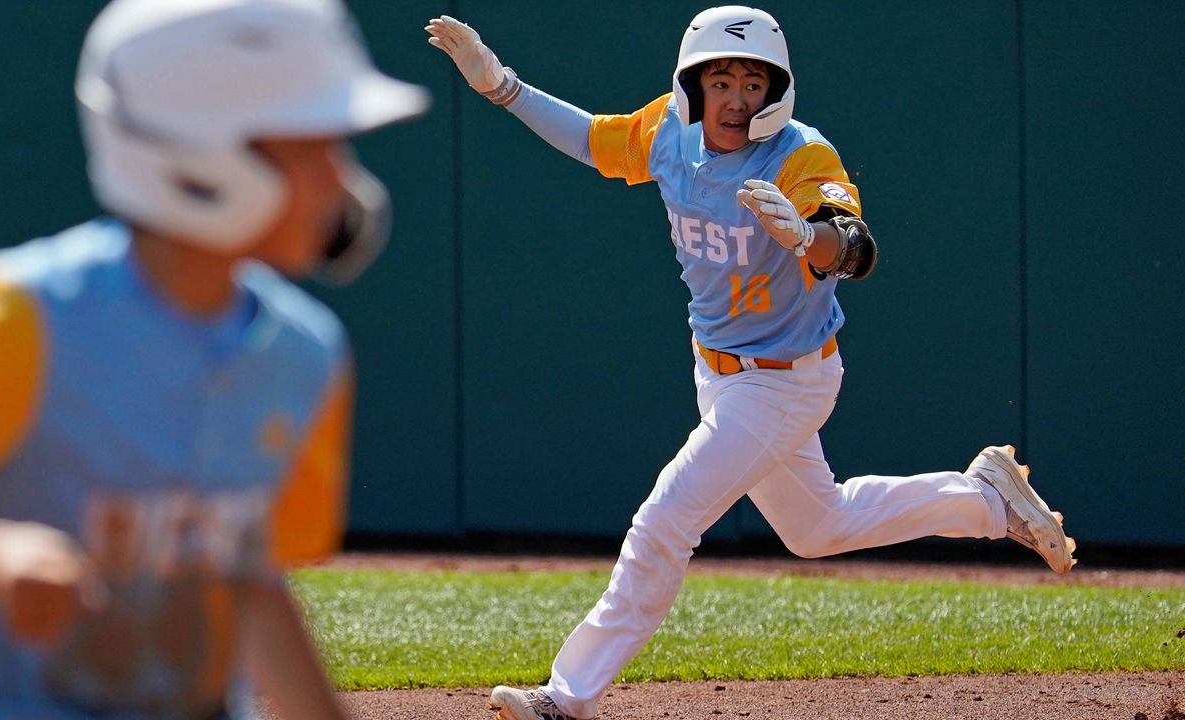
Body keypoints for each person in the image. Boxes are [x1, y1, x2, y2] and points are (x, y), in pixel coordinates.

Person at [425, 7, 1076, 720]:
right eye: (722, 78)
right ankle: (986, 500)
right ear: (694, 83)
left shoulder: (801, 156)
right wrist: (503, 88)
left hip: (785, 381)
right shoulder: (668, 133)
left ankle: (567, 697)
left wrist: (808, 237)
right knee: (817, 527)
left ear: (777, 90)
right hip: (717, 369)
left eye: (754, 80)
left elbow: (855, 248)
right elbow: (590, 139)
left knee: (665, 521)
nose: (737, 97)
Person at [0, 0, 427, 717]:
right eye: (313, 150)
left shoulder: (305, 352)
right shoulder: (20, 317)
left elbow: (248, 582)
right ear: (199, 154)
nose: (342, 184)